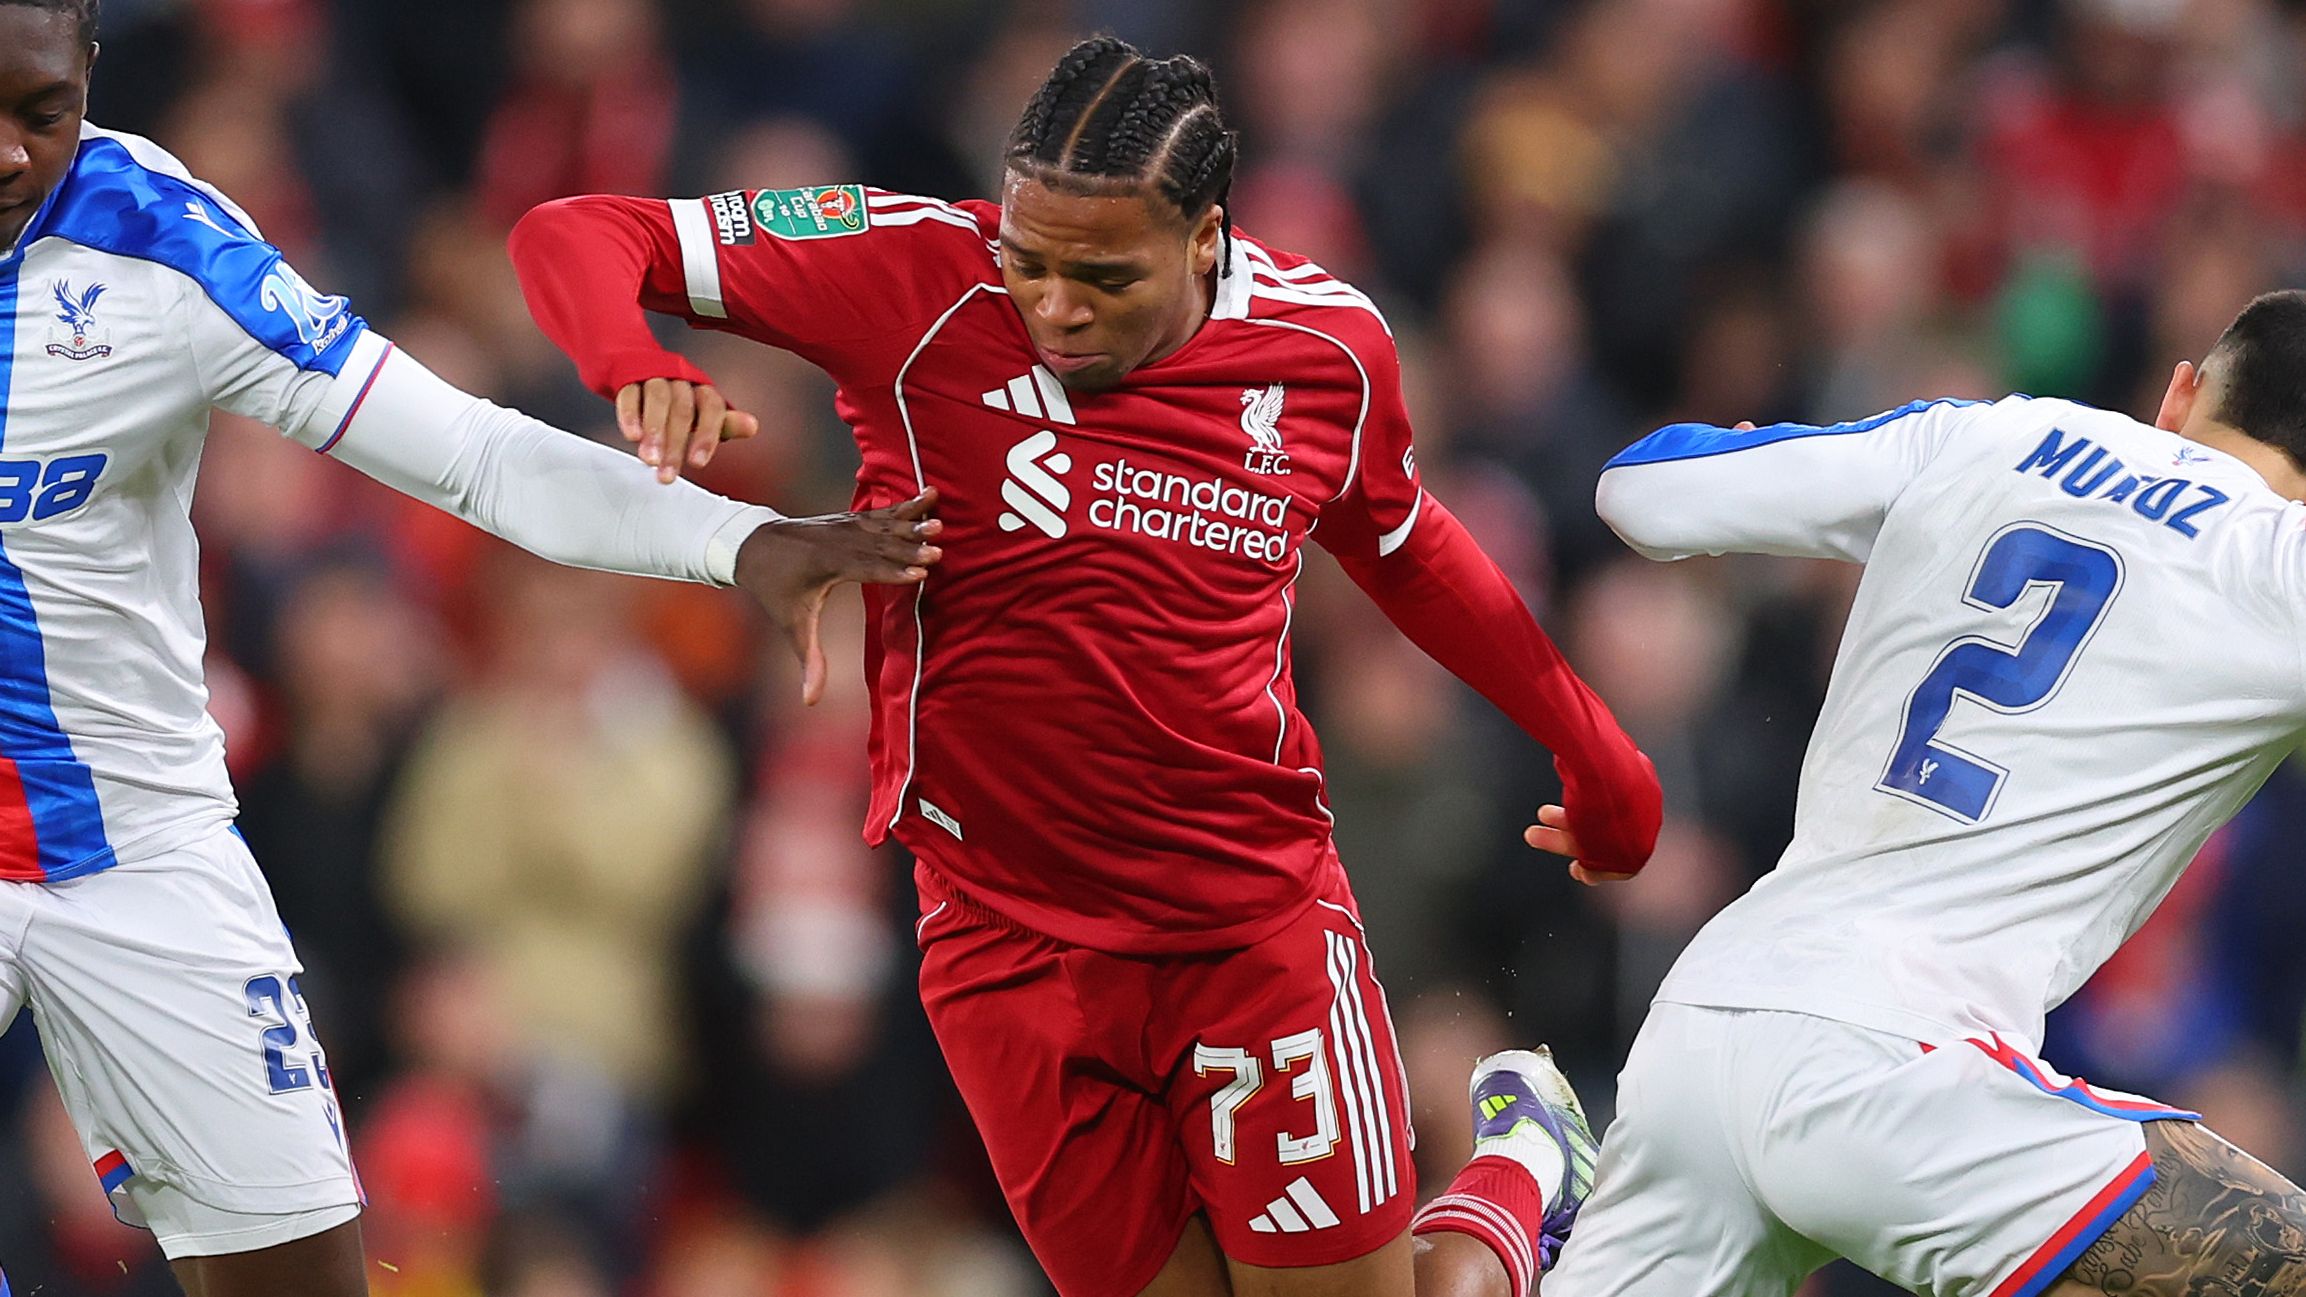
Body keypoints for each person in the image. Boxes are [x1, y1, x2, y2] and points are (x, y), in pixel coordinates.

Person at [508, 34, 1663, 1297]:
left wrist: (1584, 734)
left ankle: (1517, 1172)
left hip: (1243, 926)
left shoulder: (1323, 350)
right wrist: (633, 363)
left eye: (1101, 275)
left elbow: (1402, 541)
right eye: (1028, 261)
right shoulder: (907, 270)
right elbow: (575, 233)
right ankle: (1523, 1177)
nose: (1051, 305)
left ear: (1206, 238)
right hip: (1002, 942)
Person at [0, 2, 943, 1294]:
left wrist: (739, 540)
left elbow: (470, 452)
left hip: (143, 840)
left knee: (300, 1274)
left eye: (42, 112)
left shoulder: (160, 245)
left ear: (91, 79)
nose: (8, 152)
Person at [1560, 290, 2306, 1297]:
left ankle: (1523, 1184)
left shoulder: (1993, 432)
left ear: (2178, 393)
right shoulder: (2279, 567)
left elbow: (1639, 493)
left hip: (1706, 1022)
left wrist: (1762, 442)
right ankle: (1524, 1183)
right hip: (1902, 1068)